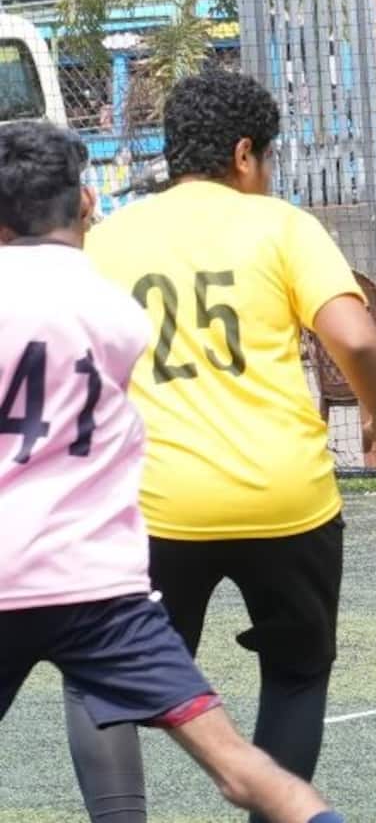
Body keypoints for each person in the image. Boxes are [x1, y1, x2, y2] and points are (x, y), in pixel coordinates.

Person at [69, 70, 376, 822]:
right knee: (295, 674)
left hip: (157, 507)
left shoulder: (110, 237)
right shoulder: (284, 227)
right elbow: (356, 337)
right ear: (243, 153)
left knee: (103, 681)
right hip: (288, 502)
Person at [0, 121, 349, 823]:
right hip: (100, 592)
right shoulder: (114, 312)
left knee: (95, 713)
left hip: (34, 565)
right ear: (86, 202)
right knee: (247, 768)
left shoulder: (111, 257)